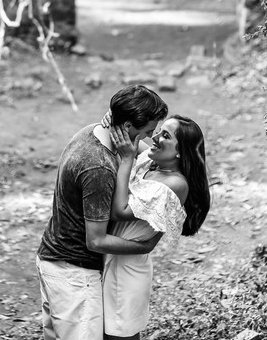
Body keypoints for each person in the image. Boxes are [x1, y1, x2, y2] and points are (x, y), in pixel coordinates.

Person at [36, 85, 169, 340]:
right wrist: (143, 246)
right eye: (148, 132)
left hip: (55, 261)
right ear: (127, 127)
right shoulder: (99, 167)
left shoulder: (91, 132)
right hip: (73, 274)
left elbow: (151, 158)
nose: (151, 139)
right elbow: (96, 240)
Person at [102, 114, 211, 340]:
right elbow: (131, 137)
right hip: (110, 258)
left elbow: (120, 211)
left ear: (180, 152)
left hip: (128, 270)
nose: (155, 138)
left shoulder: (176, 183)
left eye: (165, 136)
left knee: (119, 335)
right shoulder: (151, 162)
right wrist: (117, 118)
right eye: (158, 131)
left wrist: (126, 160)